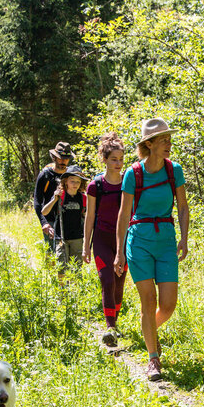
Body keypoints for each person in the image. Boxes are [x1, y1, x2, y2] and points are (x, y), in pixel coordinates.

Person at [114, 118, 189, 380]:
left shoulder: (174, 170)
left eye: (169, 139)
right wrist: (119, 251)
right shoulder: (133, 174)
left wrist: (184, 238)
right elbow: (123, 215)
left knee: (168, 305)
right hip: (139, 241)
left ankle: (147, 330)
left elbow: (182, 206)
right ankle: (153, 359)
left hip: (166, 241)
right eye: (164, 140)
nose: (169, 144)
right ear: (149, 144)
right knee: (149, 301)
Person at [83, 133, 128, 346]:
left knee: (119, 284)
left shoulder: (129, 182)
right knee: (107, 279)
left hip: (124, 240)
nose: (118, 163)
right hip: (101, 239)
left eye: (121, 159)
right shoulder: (95, 186)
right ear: (104, 159)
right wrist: (85, 246)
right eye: (113, 159)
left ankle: (114, 325)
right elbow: (90, 217)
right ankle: (110, 326)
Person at [42, 164, 87, 279]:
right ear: (66, 181)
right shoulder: (60, 196)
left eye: (78, 181)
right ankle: (63, 294)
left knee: (76, 268)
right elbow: (44, 212)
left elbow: (86, 216)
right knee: (61, 267)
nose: (75, 184)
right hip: (61, 237)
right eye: (72, 181)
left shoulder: (83, 198)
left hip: (77, 237)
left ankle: (75, 293)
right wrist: (55, 199)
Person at [33, 141, 75, 251]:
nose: (63, 161)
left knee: (69, 256)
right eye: (60, 158)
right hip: (50, 221)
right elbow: (37, 201)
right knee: (51, 255)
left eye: (66, 158)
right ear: (54, 158)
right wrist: (44, 223)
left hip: (69, 220)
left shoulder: (72, 175)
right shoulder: (45, 175)